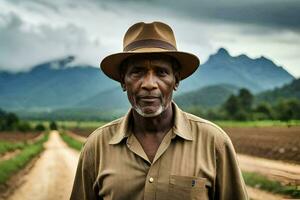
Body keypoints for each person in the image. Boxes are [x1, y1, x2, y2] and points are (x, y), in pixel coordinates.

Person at [70, 21, 248, 200]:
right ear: (123, 82)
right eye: (137, 72)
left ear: (176, 81)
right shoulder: (96, 146)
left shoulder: (214, 142)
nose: (149, 84)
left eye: (161, 72)